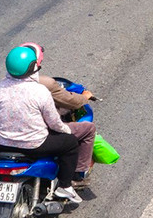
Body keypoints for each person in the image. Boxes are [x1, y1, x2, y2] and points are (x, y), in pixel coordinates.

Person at [0, 45, 84, 205]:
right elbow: (53, 123)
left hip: (1, 143)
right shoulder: (40, 91)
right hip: (35, 145)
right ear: (33, 67)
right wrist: (67, 130)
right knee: (71, 144)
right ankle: (66, 186)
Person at [19, 43, 97, 184]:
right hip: (36, 140)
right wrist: (84, 97)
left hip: (6, 139)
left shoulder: (1, 87)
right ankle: (76, 176)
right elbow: (59, 115)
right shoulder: (44, 85)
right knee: (80, 135)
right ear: (35, 64)